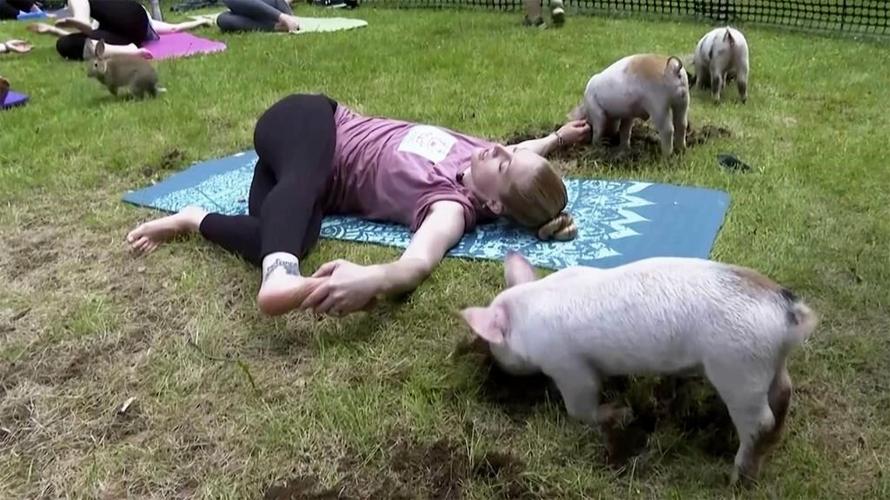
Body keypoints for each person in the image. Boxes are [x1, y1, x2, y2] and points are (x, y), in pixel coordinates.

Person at [126, 93, 591, 317]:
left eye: (507, 165)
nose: (501, 150)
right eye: (510, 150)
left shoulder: (451, 206)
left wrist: (372, 278)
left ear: (492, 200)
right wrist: (555, 138)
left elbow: (417, 263)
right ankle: (279, 274)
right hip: (311, 122)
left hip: (294, 177)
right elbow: (527, 151)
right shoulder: (483, 151)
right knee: (300, 191)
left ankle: (192, 218)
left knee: (285, 231)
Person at [26, 0, 213, 60]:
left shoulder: (117, 10)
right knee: (66, 44)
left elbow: (174, 27)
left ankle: (125, 51)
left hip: (127, 23)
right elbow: (174, 28)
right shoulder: (145, 25)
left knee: (84, 36)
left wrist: (199, 22)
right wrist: (52, 31)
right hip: (126, 36)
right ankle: (130, 51)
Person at [215, 0, 301, 33]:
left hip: (276, 4)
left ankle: (282, 17)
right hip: (249, 7)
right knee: (222, 19)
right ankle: (275, 26)